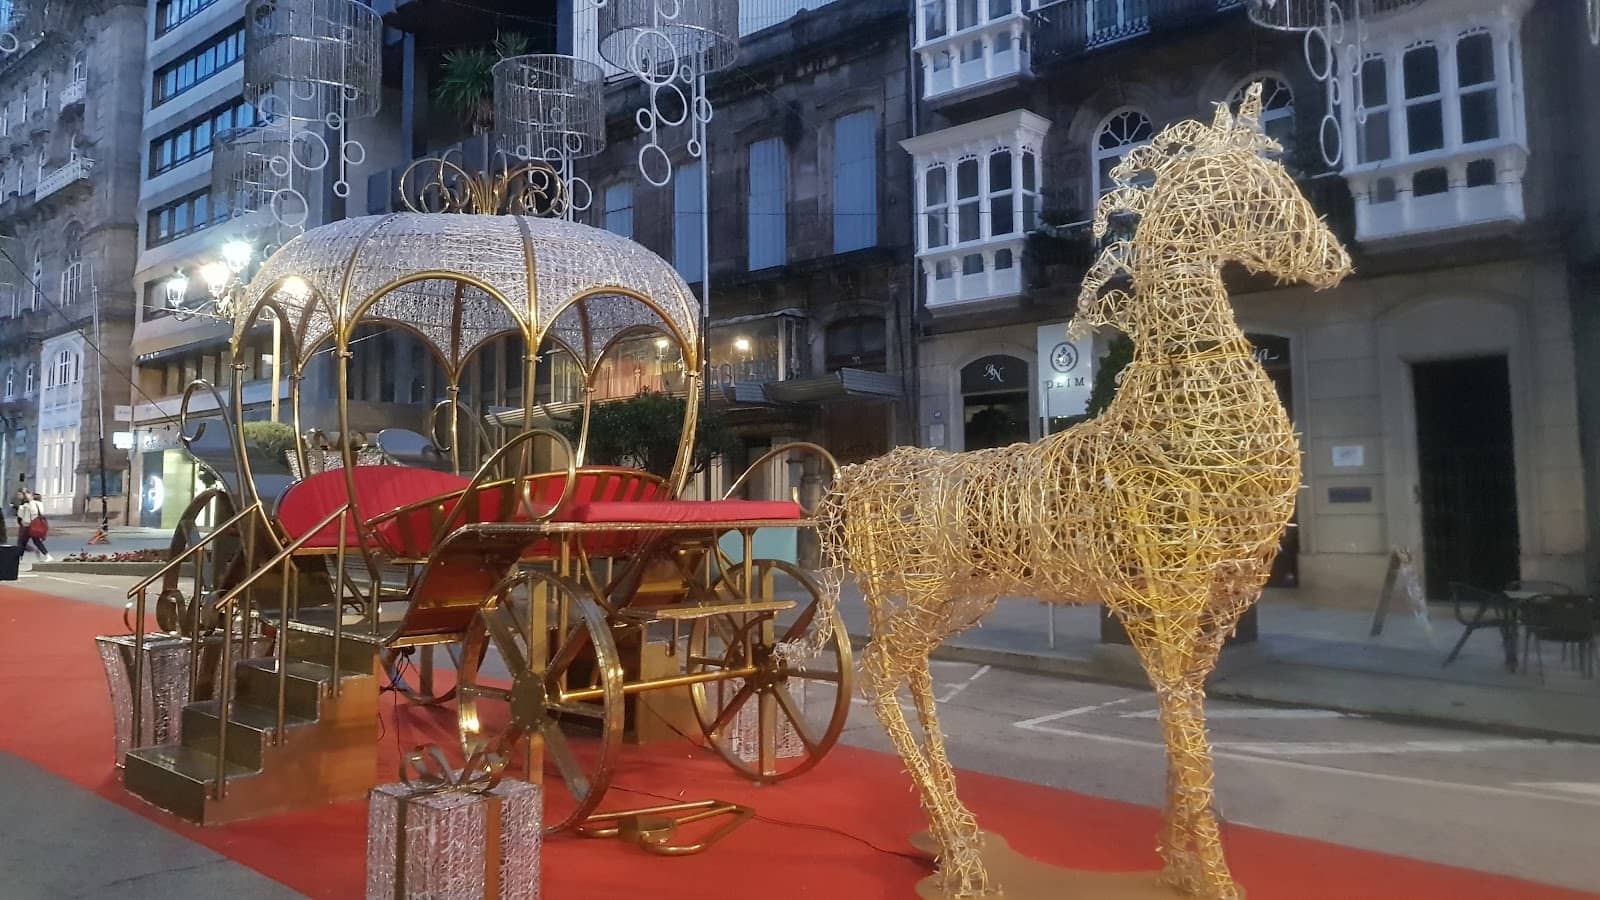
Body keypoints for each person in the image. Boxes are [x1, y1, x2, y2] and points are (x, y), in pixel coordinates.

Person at [16, 491, 48, 561]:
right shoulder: (38, 504)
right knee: (32, 541)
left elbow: (21, 515)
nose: (18, 496)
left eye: (19, 494)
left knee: (22, 542)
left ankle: (19, 557)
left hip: (27, 525)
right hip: (32, 525)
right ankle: (45, 555)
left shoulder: (28, 504)